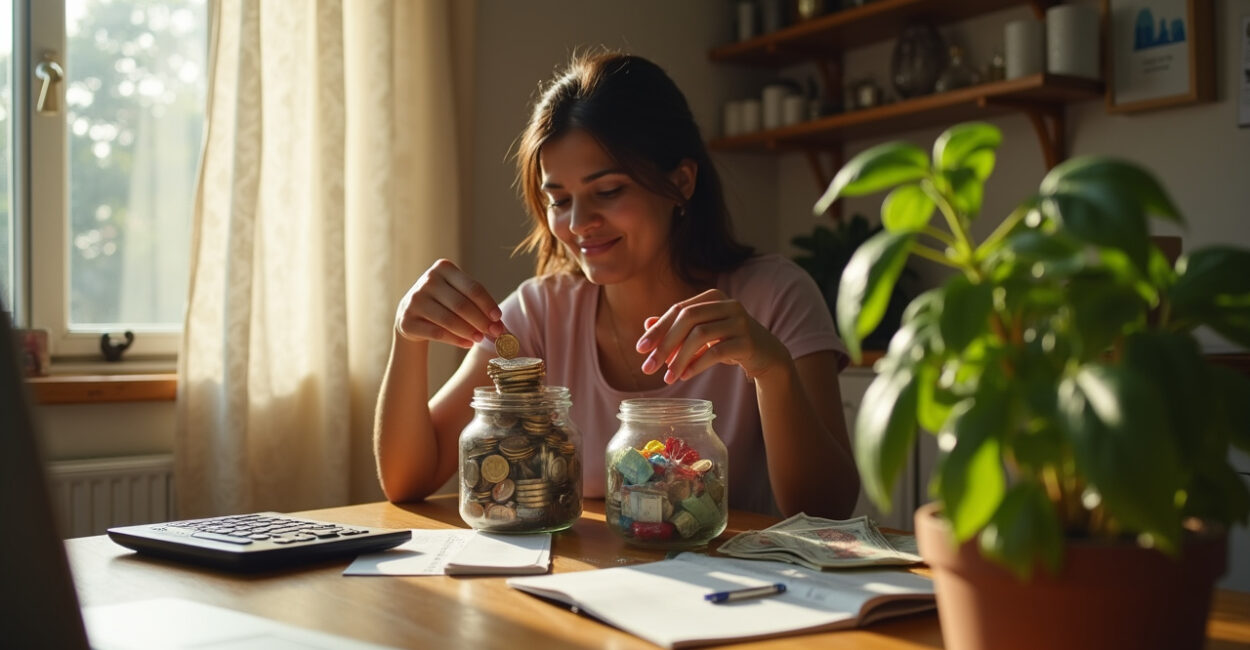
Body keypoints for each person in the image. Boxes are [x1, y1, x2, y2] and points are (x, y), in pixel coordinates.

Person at [375, 51, 858, 518]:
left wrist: (772, 370)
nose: (579, 223)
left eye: (608, 191)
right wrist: (407, 339)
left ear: (682, 182)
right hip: (585, 584)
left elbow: (826, 509)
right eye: (559, 200)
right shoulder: (539, 313)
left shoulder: (775, 296)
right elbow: (406, 479)